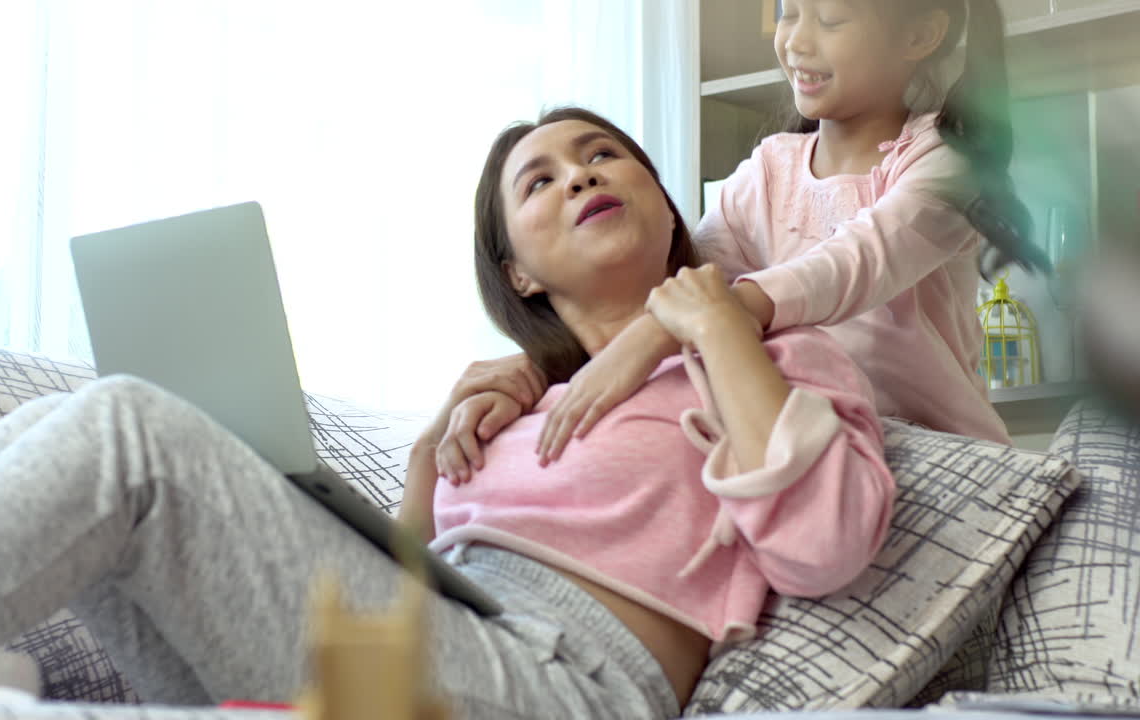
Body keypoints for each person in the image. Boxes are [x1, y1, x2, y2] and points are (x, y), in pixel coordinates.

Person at [0, 107, 894, 718]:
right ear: (517, 273)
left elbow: (826, 544)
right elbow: (407, 597)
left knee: (130, 426)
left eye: (601, 156)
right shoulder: (516, 405)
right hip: (422, 654)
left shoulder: (770, 350)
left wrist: (710, 325)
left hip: (564, 685)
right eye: (538, 180)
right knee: (77, 440)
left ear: (665, 200)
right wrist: (417, 477)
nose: (578, 172)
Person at [435, 1, 1052, 486]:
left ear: (920, 37)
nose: (796, 40)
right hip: (815, 448)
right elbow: (682, 279)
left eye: (830, 18)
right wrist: (541, 365)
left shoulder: (944, 162)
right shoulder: (765, 172)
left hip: (944, 459)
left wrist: (666, 328)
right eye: (788, 11)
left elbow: (851, 265)